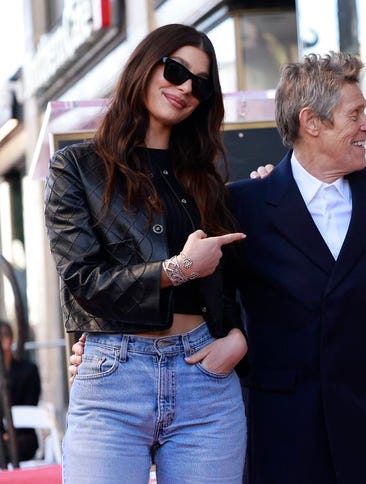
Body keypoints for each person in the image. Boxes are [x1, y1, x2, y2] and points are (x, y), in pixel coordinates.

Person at [44, 24, 248, 483]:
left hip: (205, 378)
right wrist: (177, 270)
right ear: (145, 64)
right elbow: (81, 281)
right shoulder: (75, 168)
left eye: (200, 84)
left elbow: (242, 279)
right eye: (175, 70)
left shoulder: (204, 176)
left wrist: (240, 339)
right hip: (114, 376)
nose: (185, 88)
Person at [227, 52, 366, 483]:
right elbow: (213, 308)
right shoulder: (242, 206)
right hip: (281, 434)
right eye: (356, 115)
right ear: (311, 122)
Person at [0, 320, 41, 463]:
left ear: (7, 340)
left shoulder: (28, 371)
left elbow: (30, 406)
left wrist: (9, 433)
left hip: (23, 437)